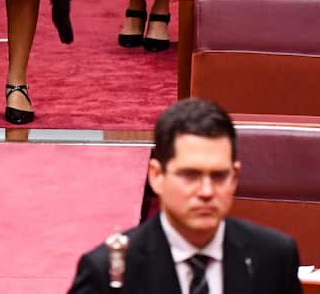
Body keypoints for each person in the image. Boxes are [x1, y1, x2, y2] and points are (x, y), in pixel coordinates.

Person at [69, 98, 301, 293]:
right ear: (157, 175)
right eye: (190, 175)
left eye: (219, 176)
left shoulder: (274, 257)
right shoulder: (107, 271)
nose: (206, 192)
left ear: (235, 176)